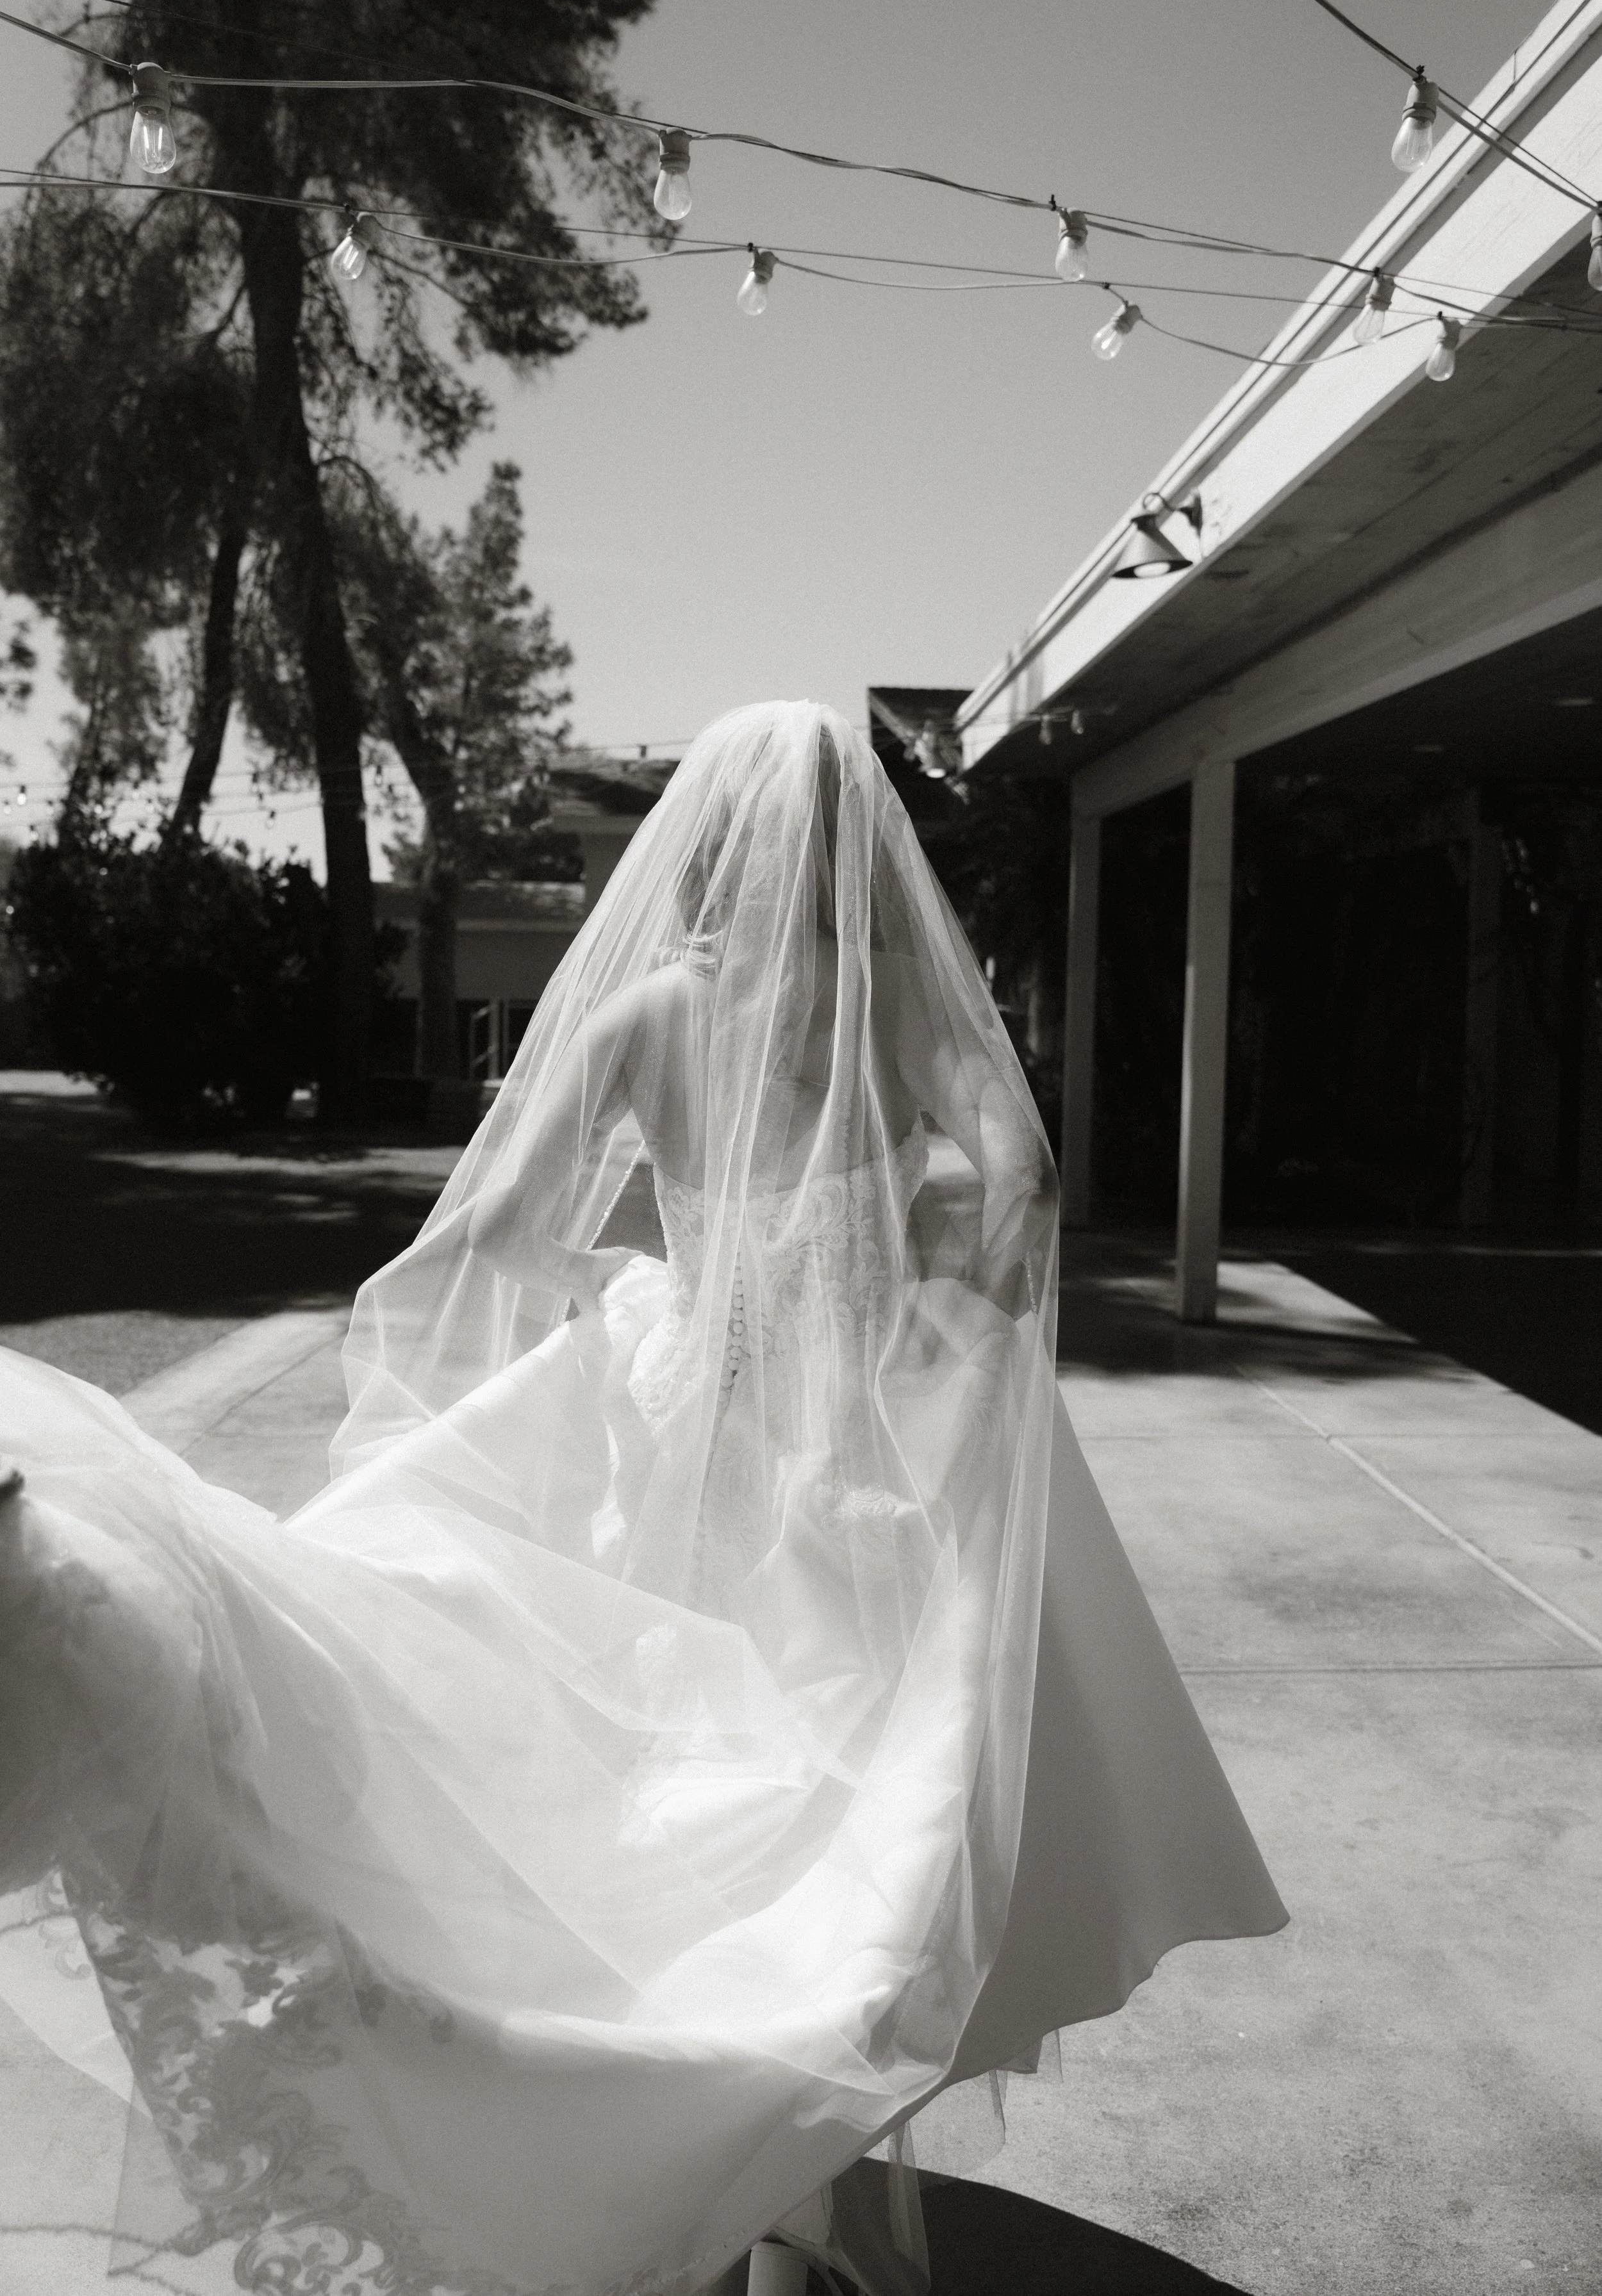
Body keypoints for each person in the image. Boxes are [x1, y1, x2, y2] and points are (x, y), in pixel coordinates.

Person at [0, 702, 1284, 2296]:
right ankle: (781, 2207)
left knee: (646, 1805)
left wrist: (521, 1341)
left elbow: (501, 1232)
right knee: (849, 1825)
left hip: (673, 1433)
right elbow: (1019, 1178)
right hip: (854, 1462)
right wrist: (946, 1325)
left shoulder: (645, 1019)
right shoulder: (897, 1012)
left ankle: (664, 2158)